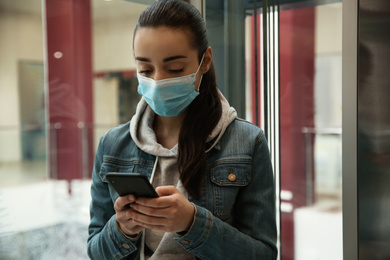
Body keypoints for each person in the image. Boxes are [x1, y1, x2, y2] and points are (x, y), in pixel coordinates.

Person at [87, 0, 277, 259]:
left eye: (175, 69)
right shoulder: (112, 145)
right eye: (145, 69)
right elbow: (95, 251)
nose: (157, 81)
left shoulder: (247, 142)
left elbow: (263, 254)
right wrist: (121, 229)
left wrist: (192, 224)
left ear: (205, 61)